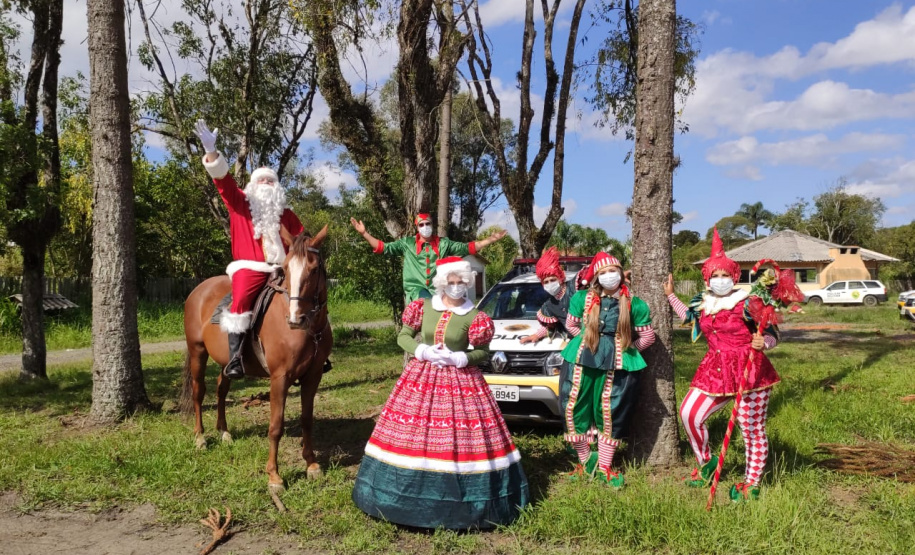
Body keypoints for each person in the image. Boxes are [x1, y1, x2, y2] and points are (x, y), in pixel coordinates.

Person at [352, 256, 529, 529]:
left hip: (461, 381)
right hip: (421, 377)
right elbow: (403, 336)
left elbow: (484, 351)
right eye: (451, 281)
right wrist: (421, 350)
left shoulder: (474, 316)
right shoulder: (423, 307)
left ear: (468, 283)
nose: (456, 286)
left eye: (461, 282)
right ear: (441, 282)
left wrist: (460, 358)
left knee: (461, 437)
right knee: (409, 431)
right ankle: (398, 500)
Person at [664, 228, 780, 502]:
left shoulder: (747, 302)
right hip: (714, 368)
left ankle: (751, 481)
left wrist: (765, 343)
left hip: (750, 370)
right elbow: (690, 319)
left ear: (734, 276)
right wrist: (670, 296)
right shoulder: (703, 302)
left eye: (725, 275)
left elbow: (773, 334)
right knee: (689, 414)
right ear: (706, 278)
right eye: (714, 275)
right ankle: (707, 462)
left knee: (750, 428)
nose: (720, 280)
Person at [196, 120, 304, 379]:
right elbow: (223, 180)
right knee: (242, 298)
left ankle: (315, 352)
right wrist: (212, 152)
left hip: (282, 268)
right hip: (250, 268)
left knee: (307, 296)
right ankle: (234, 359)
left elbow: (301, 240)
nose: (266, 184)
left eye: (271, 181)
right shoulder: (239, 203)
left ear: (277, 187)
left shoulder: (286, 214)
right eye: (261, 180)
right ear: (253, 185)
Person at [560, 252, 655, 487]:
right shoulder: (582, 299)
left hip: (618, 365)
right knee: (574, 408)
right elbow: (571, 324)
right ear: (596, 277)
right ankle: (585, 463)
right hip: (581, 360)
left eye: (612, 271)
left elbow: (648, 336)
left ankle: (604, 467)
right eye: (603, 273)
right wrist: (584, 340)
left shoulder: (635, 304)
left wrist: (628, 352)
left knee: (610, 411)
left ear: (621, 273)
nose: (609, 276)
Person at [349, 214, 507, 302]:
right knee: (426, 304)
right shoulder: (407, 244)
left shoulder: (443, 244)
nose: (425, 227)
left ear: (433, 225)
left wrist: (490, 240)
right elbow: (383, 247)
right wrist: (364, 234)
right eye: (421, 224)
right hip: (416, 292)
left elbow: (468, 247)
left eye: (428, 224)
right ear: (417, 227)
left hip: (439, 290)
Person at [519, 246, 576, 415]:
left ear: (560, 277)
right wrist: (536, 335)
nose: (550, 284)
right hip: (576, 346)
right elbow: (549, 325)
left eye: (552, 279)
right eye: (546, 282)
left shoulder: (576, 288)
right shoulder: (549, 306)